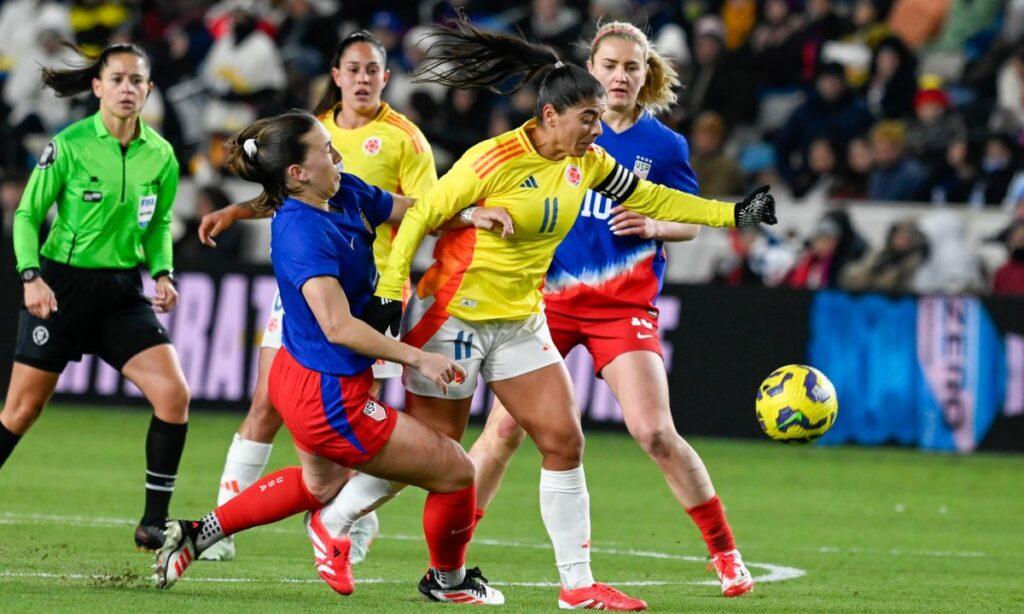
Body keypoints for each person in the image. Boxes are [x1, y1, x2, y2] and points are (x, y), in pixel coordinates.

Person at [328, 18, 776, 611]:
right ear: (565, 101)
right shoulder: (498, 157)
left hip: (567, 312)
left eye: (630, 69)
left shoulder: (613, 156)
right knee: (459, 447)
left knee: (603, 437)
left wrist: (731, 214)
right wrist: (391, 290)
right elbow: (422, 215)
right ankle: (372, 534)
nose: (602, 117)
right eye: (606, 75)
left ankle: (607, 578)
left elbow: (662, 203)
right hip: (489, 309)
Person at [154, 112, 504, 605]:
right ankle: (447, 582)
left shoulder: (344, 190)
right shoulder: (300, 234)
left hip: (302, 377)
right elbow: (337, 326)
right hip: (327, 396)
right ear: (296, 173)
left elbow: (413, 209)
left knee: (321, 484)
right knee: (457, 472)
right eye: (325, 149)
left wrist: (467, 214)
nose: (337, 154)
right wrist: (415, 358)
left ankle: (198, 532)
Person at [466, 21, 757, 598]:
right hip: (545, 301)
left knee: (653, 432)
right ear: (590, 70)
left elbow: (693, 219)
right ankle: (450, 553)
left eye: (631, 67)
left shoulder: (663, 146)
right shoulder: (557, 130)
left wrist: (654, 224)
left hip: (622, 307)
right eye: (610, 66)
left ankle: (725, 553)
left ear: (645, 75)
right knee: (502, 431)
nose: (620, 76)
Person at [198, 31, 439, 563]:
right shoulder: (314, 130)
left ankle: (345, 523)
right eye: (352, 68)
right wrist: (238, 210)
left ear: (386, 76)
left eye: (372, 69)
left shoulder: (407, 139)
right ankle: (223, 524)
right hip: (308, 286)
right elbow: (285, 194)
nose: (362, 78)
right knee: (265, 403)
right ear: (335, 76)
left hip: (365, 297)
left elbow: (422, 209)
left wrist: (408, 276)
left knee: (349, 422)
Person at [0, 43, 187, 551]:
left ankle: (153, 522)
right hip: (62, 288)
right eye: (118, 79)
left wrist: (163, 272)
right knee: (20, 412)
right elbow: (25, 215)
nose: (128, 89)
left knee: (174, 396)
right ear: (98, 87)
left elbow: (160, 221)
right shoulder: (71, 145)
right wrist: (31, 276)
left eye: (137, 81)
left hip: (122, 291)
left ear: (149, 89)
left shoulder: (161, 154)